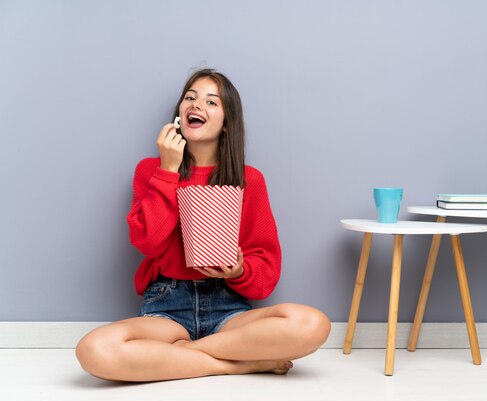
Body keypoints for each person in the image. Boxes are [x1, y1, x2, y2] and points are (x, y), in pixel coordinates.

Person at [75, 68, 331, 382]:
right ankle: (237, 364)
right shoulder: (150, 170)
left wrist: (238, 271)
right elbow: (148, 243)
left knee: (312, 324)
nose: (197, 105)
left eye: (212, 102)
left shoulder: (249, 180)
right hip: (168, 307)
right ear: (180, 114)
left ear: (226, 124)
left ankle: (180, 357)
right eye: (190, 98)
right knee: (94, 350)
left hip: (229, 307)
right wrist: (168, 171)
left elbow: (265, 275)